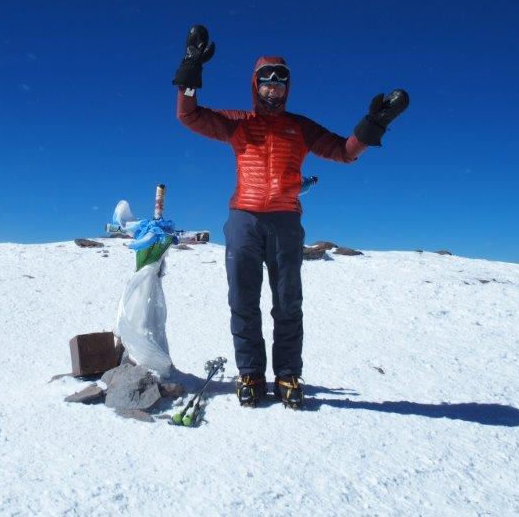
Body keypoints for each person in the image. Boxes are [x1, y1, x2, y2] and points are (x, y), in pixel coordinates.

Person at [172, 25, 409, 409]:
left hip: (285, 222)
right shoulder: (237, 122)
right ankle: (250, 374)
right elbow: (189, 116)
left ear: (288, 88)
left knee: (287, 304)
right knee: (243, 301)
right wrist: (190, 69)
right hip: (244, 218)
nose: (273, 89)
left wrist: (375, 124)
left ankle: (287, 376)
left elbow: (344, 152)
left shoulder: (299, 127)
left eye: (281, 83)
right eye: (266, 82)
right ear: (255, 85)